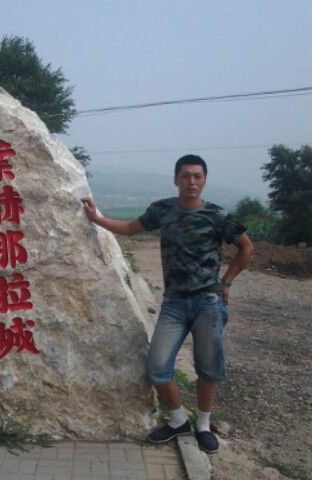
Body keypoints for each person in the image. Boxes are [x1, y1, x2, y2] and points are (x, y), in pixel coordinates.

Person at [81, 154, 253, 454]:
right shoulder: (162, 210)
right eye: (185, 176)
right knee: (157, 367)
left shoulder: (217, 215)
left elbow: (246, 248)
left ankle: (203, 425)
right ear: (176, 179)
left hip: (207, 302)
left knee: (208, 368)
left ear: (204, 180)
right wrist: (97, 219)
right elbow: (130, 227)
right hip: (173, 304)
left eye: (197, 176)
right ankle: (178, 421)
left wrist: (226, 281)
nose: (191, 182)